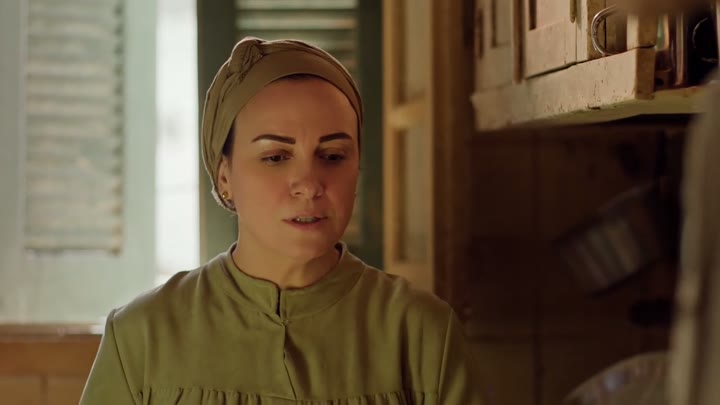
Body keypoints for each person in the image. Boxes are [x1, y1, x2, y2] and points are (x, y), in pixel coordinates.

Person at [80, 37, 484, 404]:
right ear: (225, 176)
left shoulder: (422, 336)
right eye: (275, 157)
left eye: (333, 156)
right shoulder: (141, 339)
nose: (309, 184)